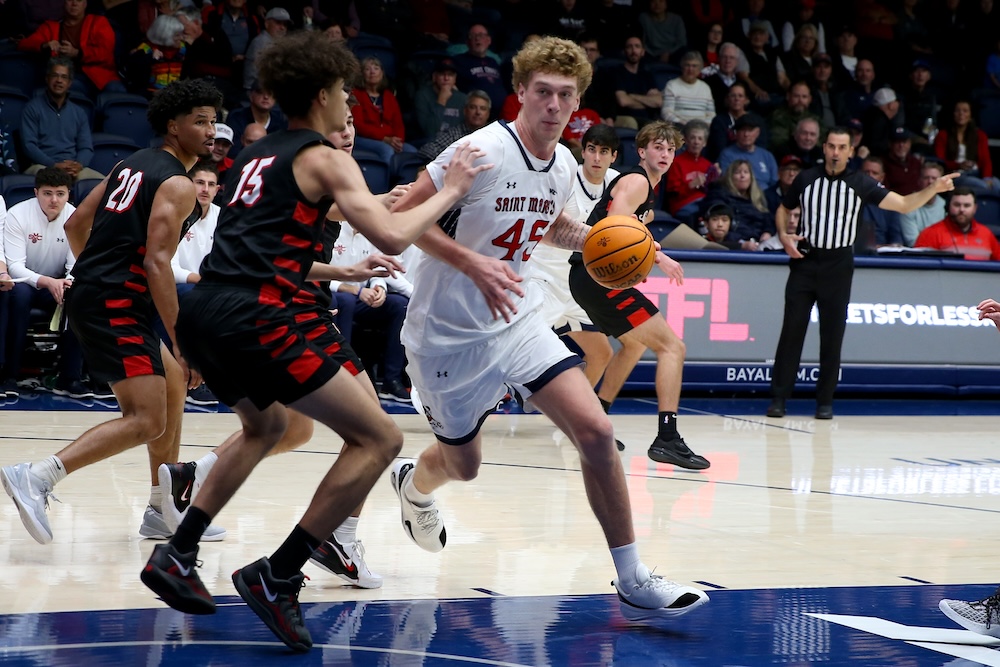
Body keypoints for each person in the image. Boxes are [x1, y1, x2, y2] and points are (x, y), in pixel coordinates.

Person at [138, 31, 488, 652]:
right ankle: (279, 574)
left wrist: (346, 262)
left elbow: (273, 242)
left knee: (267, 427)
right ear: (324, 93)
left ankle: (177, 552)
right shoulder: (325, 156)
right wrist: (454, 188)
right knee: (381, 436)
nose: (352, 102)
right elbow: (392, 237)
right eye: (347, 91)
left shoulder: (253, 157)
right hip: (257, 319)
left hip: (207, 312)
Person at [388, 36, 709, 629]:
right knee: (464, 466)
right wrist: (470, 262)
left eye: (566, 95)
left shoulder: (563, 164)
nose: (553, 105)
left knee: (595, 430)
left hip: (518, 318)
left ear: (578, 100)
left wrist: (602, 240)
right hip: (447, 335)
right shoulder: (480, 149)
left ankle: (634, 578)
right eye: (543, 92)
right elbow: (400, 217)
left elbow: (552, 224)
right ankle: (414, 483)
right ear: (520, 93)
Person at [156, 99, 413, 590]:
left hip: (229, 307)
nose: (351, 129)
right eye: (346, 115)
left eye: (357, 124)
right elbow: (377, 224)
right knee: (375, 430)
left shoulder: (267, 161)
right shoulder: (316, 162)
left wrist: (346, 269)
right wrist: (434, 193)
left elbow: (289, 246)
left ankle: (191, 491)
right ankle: (324, 544)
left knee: (283, 428)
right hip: (283, 313)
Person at [0, 78, 225, 546]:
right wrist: (183, 342)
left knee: (173, 388)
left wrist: (98, 270)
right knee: (148, 418)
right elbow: (158, 263)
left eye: (213, 121)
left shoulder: (126, 166)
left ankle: (163, 508)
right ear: (172, 125)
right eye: (199, 121)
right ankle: (37, 476)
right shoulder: (179, 183)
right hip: (116, 300)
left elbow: (79, 222)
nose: (210, 130)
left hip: (104, 293)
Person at [766, 126, 958, 421]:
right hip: (805, 261)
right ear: (824, 148)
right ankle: (779, 398)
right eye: (831, 146)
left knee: (832, 335)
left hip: (838, 263)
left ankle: (824, 402)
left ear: (851, 151)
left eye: (842, 147)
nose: (835, 152)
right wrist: (784, 234)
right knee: (791, 331)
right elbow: (783, 207)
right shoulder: (806, 178)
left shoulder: (861, 183)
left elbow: (905, 205)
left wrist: (933, 188)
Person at [565, 120, 711, 470]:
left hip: (588, 277)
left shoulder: (648, 187)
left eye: (670, 149)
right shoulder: (637, 181)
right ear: (641, 151)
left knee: (635, 344)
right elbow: (614, 226)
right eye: (657, 147)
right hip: (595, 276)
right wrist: (657, 255)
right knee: (673, 347)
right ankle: (667, 438)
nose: (664, 154)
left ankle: (595, 423)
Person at [528, 123, 617, 431]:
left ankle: (570, 421)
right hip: (542, 276)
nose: (596, 157)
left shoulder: (618, 184)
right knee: (512, 350)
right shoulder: (566, 177)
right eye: (591, 149)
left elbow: (643, 216)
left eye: (603, 151)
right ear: (584, 151)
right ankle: (473, 400)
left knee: (601, 353)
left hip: (576, 283)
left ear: (613, 157)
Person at [2, 167, 88, 399]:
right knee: (18, 296)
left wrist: (66, 283)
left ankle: (70, 377)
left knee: (79, 296)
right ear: (36, 193)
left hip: (55, 283)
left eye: (60, 194)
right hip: (24, 281)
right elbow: (15, 266)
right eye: (47, 193)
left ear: (68, 194)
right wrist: (48, 282)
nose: (53, 200)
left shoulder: (74, 217)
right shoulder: (17, 214)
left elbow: (76, 266)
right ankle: (10, 376)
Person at [167, 161, 220, 406]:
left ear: (218, 189)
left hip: (211, 289)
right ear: (189, 185)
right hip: (177, 288)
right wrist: (202, 280)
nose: (205, 189)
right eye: (200, 183)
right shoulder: (175, 213)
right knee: (194, 296)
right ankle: (195, 381)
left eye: (210, 184)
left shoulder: (223, 218)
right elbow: (169, 267)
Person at [17, 0, 125, 98]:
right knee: (69, 88)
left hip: (100, 77)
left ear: (85, 4)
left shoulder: (99, 23)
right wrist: (44, 45)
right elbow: (24, 44)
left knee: (118, 91)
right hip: (70, 78)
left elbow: (105, 53)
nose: (74, 3)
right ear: (64, 3)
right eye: (70, 0)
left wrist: (77, 53)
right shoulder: (51, 27)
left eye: (79, 0)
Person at [21, 57, 104, 182]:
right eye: (55, 75)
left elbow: (86, 147)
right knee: (51, 178)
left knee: (104, 184)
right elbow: (29, 146)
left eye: (64, 77)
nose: (59, 80)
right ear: (47, 78)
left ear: (70, 83)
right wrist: (53, 165)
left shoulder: (78, 113)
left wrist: (78, 165)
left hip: (73, 169)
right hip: (42, 166)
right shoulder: (32, 108)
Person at [914, 188, 1000, 260]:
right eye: (957, 205)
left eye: (967, 205)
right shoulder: (930, 234)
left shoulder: (986, 234)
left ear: (975, 208)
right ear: (948, 207)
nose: (962, 210)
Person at [933, 100, 1000, 193]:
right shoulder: (943, 135)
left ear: (971, 115)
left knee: (997, 185)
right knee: (983, 186)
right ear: (953, 114)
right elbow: (940, 161)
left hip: (977, 173)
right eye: (958, 111)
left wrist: (987, 178)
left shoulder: (980, 135)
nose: (961, 114)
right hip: (956, 174)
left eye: (965, 111)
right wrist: (959, 165)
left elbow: (986, 160)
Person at [665, 119, 715, 223]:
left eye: (700, 139)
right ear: (686, 141)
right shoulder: (676, 162)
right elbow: (672, 194)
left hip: (704, 203)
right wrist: (690, 185)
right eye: (692, 138)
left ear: (704, 143)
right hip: (683, 205)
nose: (696, 142)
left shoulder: (708, 165)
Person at [418, 90, 491, 161]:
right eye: (473, 107)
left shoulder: (493, 135)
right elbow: (426, 151)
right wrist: (453, 157)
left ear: (488, 114)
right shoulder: (454, 134)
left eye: (483, 109)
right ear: (465, 111)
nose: (478, 112)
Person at [609, 35, 663, 129]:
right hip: (626, 118)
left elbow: (658, 102)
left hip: (647, 119)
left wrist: (632, 96)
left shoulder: (646, 75)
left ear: (643, 52)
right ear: (624, 51)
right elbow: (623, 101)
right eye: (629, 47)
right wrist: (647, 102)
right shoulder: (617, 72)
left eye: (637, 46)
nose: (633, 51)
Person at [225, 83, 287, 159]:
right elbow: (232, 151)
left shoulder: (280, 119)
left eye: (270, 93)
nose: (266, 97)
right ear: (251, 95)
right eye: (260, 92)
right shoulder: (237, 117)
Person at [718, 114, 778, 191]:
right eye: (742, 130)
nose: (746, 134)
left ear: (757, 132)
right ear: (736, 133)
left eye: (750, 130)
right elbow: (727, 182)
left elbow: (775, 183)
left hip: (766, 198)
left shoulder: (767, 156)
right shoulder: (727, 154)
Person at [412, 57, 468, 140]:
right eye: (442, 74)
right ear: (434, 77)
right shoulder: (422, 95)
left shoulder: (462, 98)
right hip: (430, 143)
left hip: (455, 143)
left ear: (455, 79)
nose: (446, 78)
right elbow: (430, 132)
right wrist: (441, 102)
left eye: (450, 75)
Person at [660, 51, 716, 126]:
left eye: (694, 66)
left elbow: (711, 114)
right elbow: (666, 113)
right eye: (687, 65)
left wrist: (701, 127)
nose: (690, 69)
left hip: (701, 131)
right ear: (682, 67)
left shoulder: (705, 87)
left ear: (700, 69)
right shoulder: (672, 85)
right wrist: (686, 125)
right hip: (679, 129)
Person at [243, 7, 291, 93]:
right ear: (267, 24)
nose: (282, 28)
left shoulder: (280, 43)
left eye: (285, 24)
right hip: (256, 93)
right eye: (278, 23)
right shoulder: (261, 42)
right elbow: (254, 78)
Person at [900, 161, 946, 246]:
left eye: (934, 179)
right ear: (919, 181)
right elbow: (913, 242)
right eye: (926, 178)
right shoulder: (907, 205)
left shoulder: (946, 206)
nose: (930, 182)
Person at [882, 127, 923, 195]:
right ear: (890, 144)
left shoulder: (916, 162)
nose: (901, 145)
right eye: (897, 142)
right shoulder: (883, 163)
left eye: (904, 142)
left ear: (910, 144)